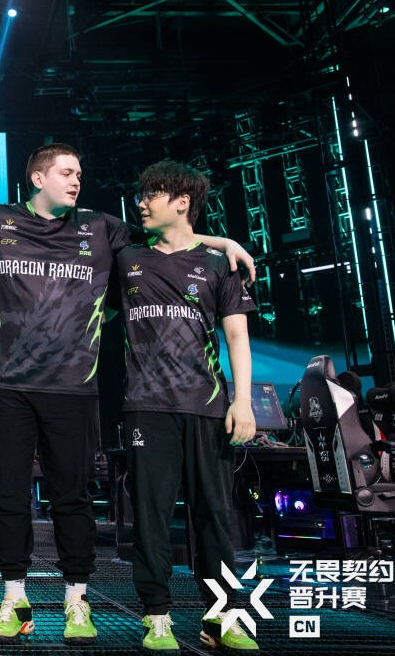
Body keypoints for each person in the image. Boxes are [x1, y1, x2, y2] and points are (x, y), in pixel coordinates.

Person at [0, 143, 254, 645]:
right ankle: (14, 600)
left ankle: (77, 600)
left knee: (73, 499)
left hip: (73, 387)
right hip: (4, 387)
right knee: (8, 498)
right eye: (66, 172)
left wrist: (224, 241)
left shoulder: (103, 228)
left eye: (79, 173)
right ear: (38, 179)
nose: (76, 180)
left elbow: (172, 237)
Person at [116, 160, 258, 652]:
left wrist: (243, 401)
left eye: (151, 194)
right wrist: (225, 238)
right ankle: (156, 615)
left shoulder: (220, 266)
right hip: (145, 407)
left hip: (207, 406)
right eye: (141, 193)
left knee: (214, 517)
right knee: (150, 516)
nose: (141, 202)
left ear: (182, 202)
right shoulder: (126, 257)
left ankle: (222, 617)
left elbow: (236, 336)